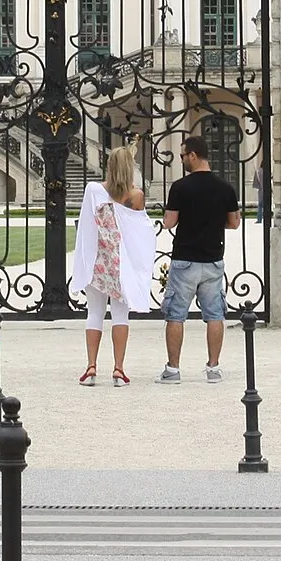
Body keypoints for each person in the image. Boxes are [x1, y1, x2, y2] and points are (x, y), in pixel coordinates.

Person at [68, 144, 154, 387]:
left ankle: (91, 367)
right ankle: (118, 369)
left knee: (94, 313)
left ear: (109, 166)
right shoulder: (136, 196)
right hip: (121, 263)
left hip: (98, 262)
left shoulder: (94, 190)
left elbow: (85, 226)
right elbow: (141, 232)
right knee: (120, 314)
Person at [160, 133, 240, 383]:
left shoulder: (180, 187)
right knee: (215, 315)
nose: (182, 159)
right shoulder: (225, 187)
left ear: (193, 155)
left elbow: (168, 222)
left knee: (176, 315)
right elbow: (234, 222)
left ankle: (173, 370)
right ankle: (213, 368)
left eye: (183, 155)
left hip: (185, 257)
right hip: (213, 258)